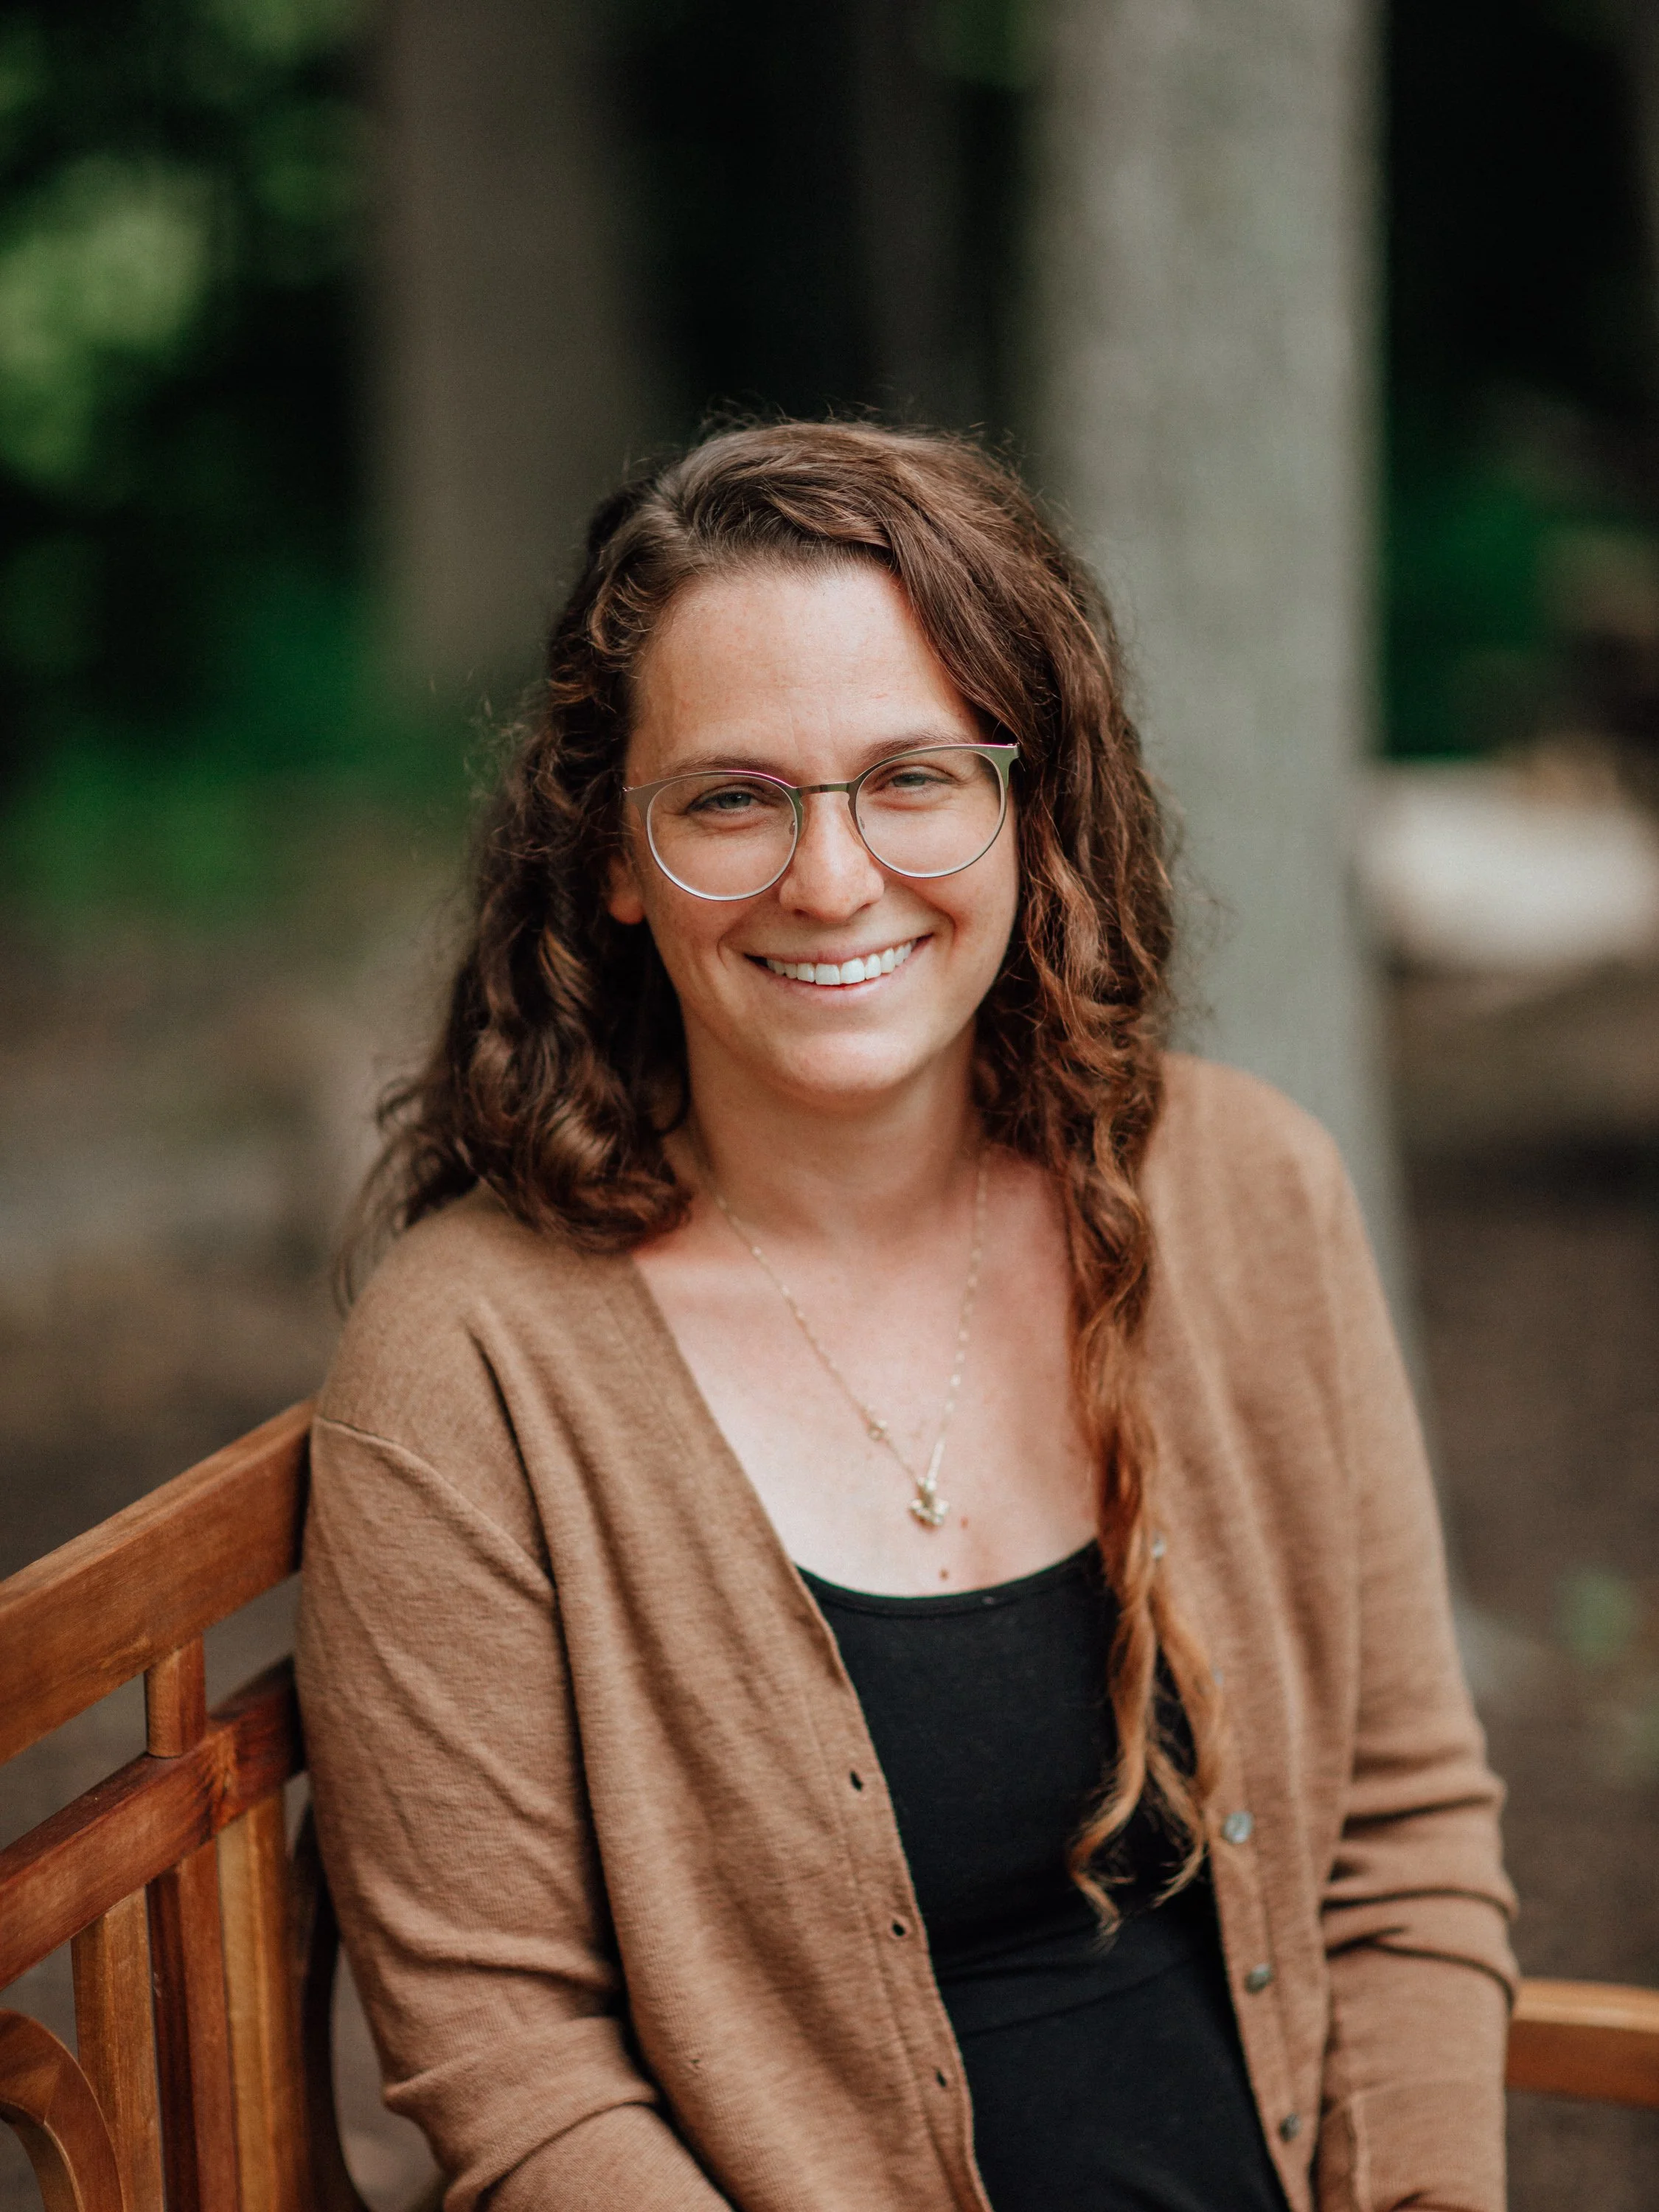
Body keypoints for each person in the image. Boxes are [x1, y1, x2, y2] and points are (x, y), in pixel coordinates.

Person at [296, 421, 1517, 2212]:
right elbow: (515, 2068)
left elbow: (1404, 1837)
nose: (833, 877)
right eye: (733, 798)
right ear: (617, 861)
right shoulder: (471, 1367)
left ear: (1029, 806)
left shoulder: (1248, 1194)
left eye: (912, 777)